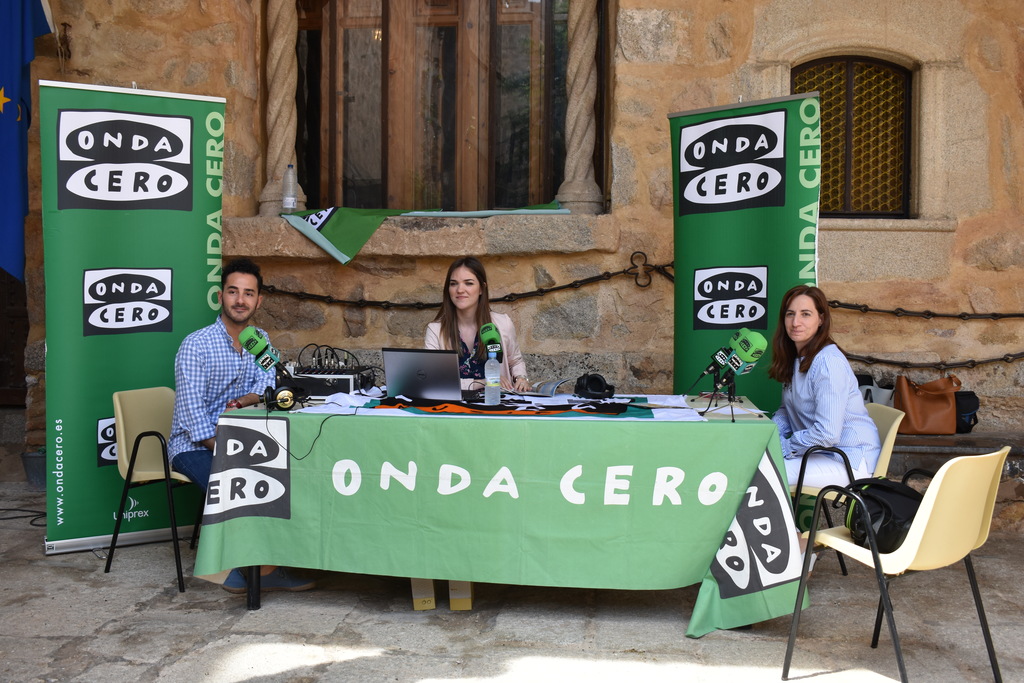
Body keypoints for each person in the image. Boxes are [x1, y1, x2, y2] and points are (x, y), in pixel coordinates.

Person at [168, 257, 314, 593]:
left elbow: (267, 384)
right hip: (192, 446)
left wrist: (249, 400)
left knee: (293, 471)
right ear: (220, 296)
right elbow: (194, 421)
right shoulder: (196, 345)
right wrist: (230, 453)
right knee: (241, 484)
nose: (240, 300)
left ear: (258, 301)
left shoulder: (258, 339)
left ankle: (271, 561)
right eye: (233, 292)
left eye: (248, 294)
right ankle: (250, 572)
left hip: (243, 441)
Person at [767, 284, 881, 490]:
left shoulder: (827, 362)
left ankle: (779, 524)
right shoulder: (796, 358)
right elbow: (786, 411)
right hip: (821, 453)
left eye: (806, 314)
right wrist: (768, 436)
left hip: (848, 459)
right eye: (790, 314)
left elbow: (827, 433)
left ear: (820, 319)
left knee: (764, 475)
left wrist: (784, 447)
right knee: (758, 465)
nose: (796, 322)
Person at [424, 256, 530, 392]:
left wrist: (521, 378)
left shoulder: (503, 323)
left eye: (468, 283)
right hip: (454, 408)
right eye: (453, 283)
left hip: (497, 405)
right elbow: (433, 379)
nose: (460, 289)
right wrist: (482, 382)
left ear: (481, 288)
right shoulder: (435, 330)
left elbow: (515, 361)